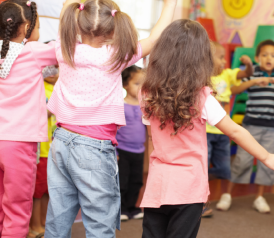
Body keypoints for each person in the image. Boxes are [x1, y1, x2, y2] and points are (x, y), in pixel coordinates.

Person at [139, 19, 274, 238]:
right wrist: (266, 156)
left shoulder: (146, 92)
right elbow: (235, 131)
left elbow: (151, 137)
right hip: (188, 189)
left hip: (158, 183)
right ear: (201, 59)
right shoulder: (201, 97)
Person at [45, 0, 177, 237]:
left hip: (60, 143)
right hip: (93, 148)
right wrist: (169, 5)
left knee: (57, 218)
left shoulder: (64, 48)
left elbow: (66, 9)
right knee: (99, 224)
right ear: (113, 28)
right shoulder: (116, 56)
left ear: (77, 22)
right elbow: (155, 38)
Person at [216, 40, 274, 214]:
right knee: (241, 160)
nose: (269, 58)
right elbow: (235, 89)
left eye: (273, 55)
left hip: (271, 129)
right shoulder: (253, 75)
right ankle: (227, 195)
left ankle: (259, 198)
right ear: (257, 58)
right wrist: (254, 82)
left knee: (267, 164)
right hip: (250, 126)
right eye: (265, 54)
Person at [0, 1, 58, 237]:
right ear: (25, 28)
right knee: (17, 209)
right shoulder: (32, 51)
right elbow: (66, 48)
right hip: (19, 142)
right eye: (38, 27)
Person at [202, 41, 254, 217]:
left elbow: (247, 73)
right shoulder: (203, 78)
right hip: (205, 132)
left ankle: (221, 194)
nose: (225, 61)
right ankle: (200, 203)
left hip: (223, 133)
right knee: (201, 167)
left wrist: (248, 64)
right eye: (221, 57)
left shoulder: (228, 75)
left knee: (223, 169)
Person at [28, 66, 59, 238]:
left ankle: (46, 223)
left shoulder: (59, 87)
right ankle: (35, 225)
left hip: (56, 149)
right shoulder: (38, 87)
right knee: (37, 191)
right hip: (42, 150)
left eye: (56, 68)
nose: (53, 73)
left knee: (50, 189)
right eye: (48, 69)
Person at [116, 65, 147, 221]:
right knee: (122, 181)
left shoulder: (144, 107)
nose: (141, 88)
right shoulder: (121, 105)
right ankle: (121, 209)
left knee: (137, 181)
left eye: (143, 84)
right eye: (136, 84)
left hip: (139, 151)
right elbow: (113, 130)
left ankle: (133, 207)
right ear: (125, 85)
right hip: (123, 151)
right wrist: (114, 151)